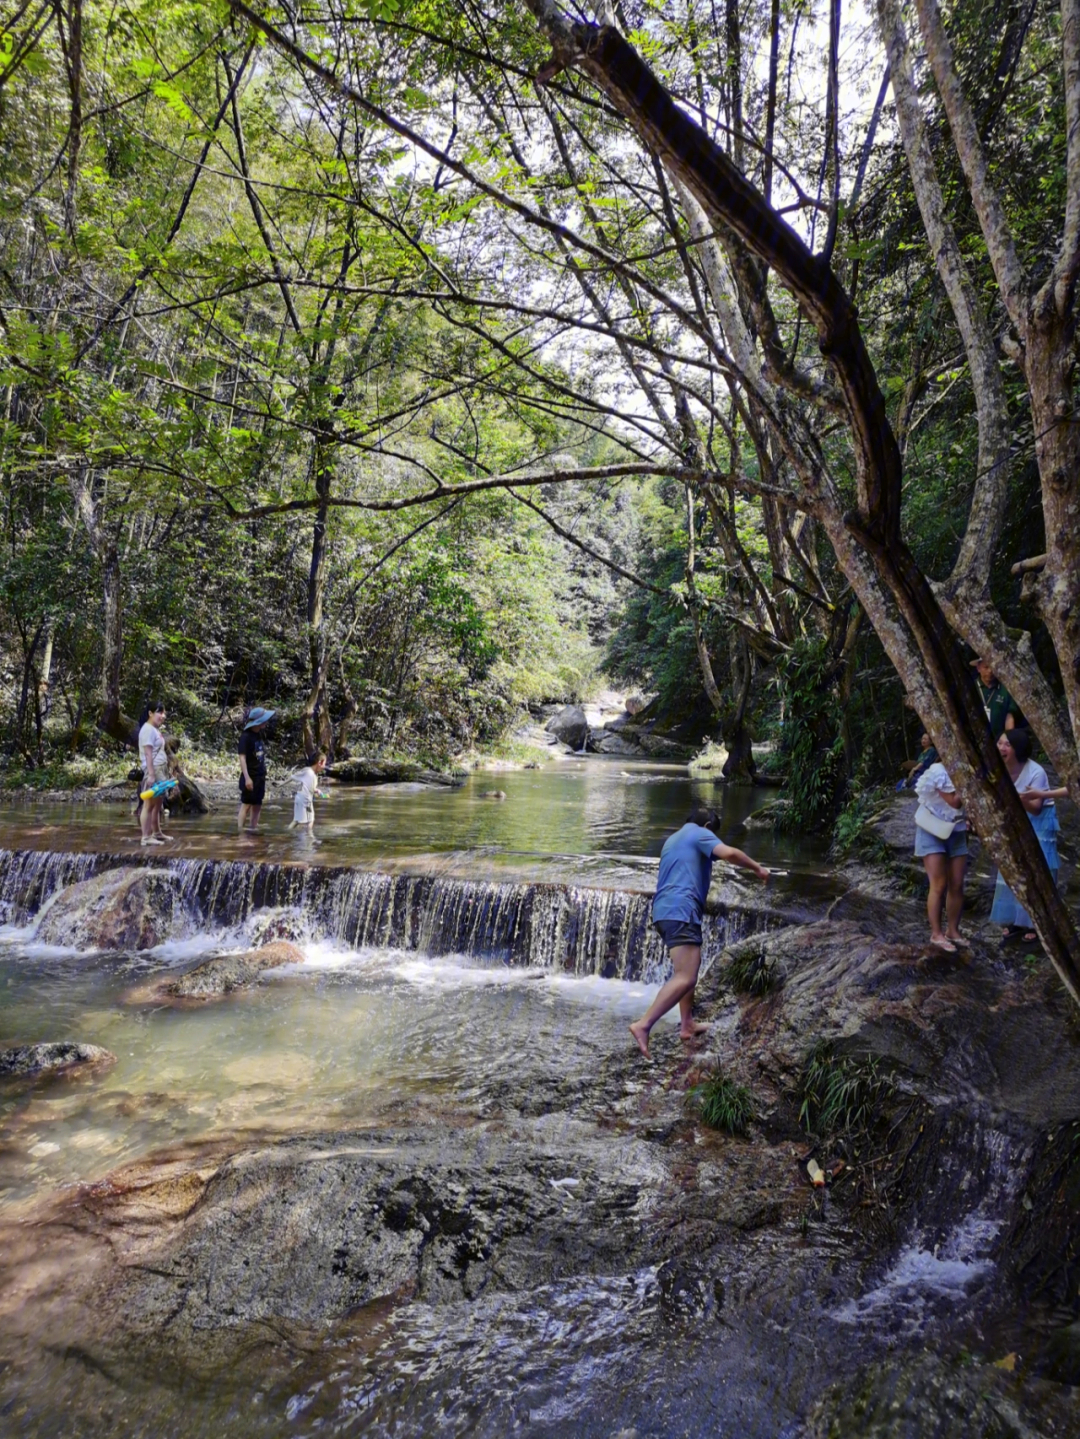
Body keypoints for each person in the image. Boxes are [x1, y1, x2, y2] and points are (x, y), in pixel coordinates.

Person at [629, 804, 769, 1060]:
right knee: (687, 976)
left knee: (687, 969)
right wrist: (757, 868)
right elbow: (729, 854)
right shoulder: (699, 833)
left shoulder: (674, 838)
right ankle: (644, 1024)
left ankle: (687, 1024)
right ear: (707, 827)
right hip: (681, 910)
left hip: (664, 911)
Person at [990, 728, 1059, 945]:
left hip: (1038, 820)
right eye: (1000, 743)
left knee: (1037, 868)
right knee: (1013, 867)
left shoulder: (1035, 772)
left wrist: (1016, 797)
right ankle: (1015, 922)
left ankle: (1037, 924)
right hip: (1015, 819)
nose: (1001, 748)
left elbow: (1036, 808)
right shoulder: (998, 768)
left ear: (1017, 749)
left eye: (1007, 745)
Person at [913, 758, 968, 952]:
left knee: (957, 883)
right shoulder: (938, 770)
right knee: (939, 883)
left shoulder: (968, 768)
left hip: (957, 829)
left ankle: (952, 930)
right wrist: (969, 780)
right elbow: (954, 801)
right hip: (931, 829)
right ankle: (936, 933)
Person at [137, 700, 171, 847]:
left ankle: (157, 832)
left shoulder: (155, 729)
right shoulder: (147, 730)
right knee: (148, 804)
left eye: (164, 713)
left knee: (158, 804)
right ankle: (145, 837)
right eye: (159, 712)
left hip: (160, 769)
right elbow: (148, 754)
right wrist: (150, 774)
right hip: (153, 769)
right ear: (150, 713)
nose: (162, 716)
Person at [237, 706, 274, 833]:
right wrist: (247, 778)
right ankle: (240, 832)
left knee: (257, 804)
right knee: (246, 804)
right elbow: (242, 758)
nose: (266, 722)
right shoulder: (245, 737)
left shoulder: (258, 734)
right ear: (258, 722)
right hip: (250, 776)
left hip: (260, 776)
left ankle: (253, 829)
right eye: (264, 720)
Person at [972, 658, 1021, 739]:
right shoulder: (971, 687)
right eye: (986, 667)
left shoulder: (1005, 688)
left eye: (992, 667)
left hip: (1000, 739)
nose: (990, 671)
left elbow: (1010, 715)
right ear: (978, 668)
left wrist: (1007, 739)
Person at [288, 751, 327, 830]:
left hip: (300, 799)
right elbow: (310, 789)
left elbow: (309, 787)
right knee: (310, 819)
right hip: (305, 800)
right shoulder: (310, 773)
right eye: (324, 764)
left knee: (297, 820)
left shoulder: (309, 772)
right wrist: (317, 792)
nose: (324, 766)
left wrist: (317, 791)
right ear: (319, 763)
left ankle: (288, 831)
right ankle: (308, 835)